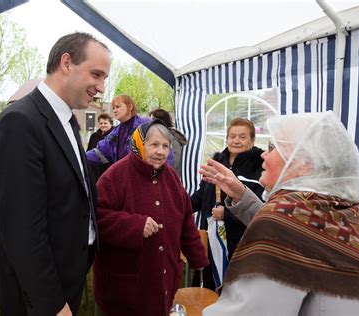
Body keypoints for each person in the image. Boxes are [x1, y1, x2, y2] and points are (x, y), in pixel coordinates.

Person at [200, 111, 359, 315]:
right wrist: (241, 194)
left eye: (275, 147)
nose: (264, 153)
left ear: (303, 165)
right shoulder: (339, 210)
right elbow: (294, 234)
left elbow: (251, 311)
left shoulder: (284, 219)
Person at [0, 32, 110, 315]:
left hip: (69, 271)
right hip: (40, 293)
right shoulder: (20, 122)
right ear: (66, 63)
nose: (101, 87)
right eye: (96, 74)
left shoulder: (65, 118)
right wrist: (51, 303)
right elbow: (21, 229)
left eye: (104, 78)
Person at [93, 119, 209, 316]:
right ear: (139, 143)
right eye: (154, 144)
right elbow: (96, 217)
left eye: (165, 146)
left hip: (162, 287)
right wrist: (135, 225)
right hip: (123, 292)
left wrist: (198, 258)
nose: (161, 151)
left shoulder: (172, 178)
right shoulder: (115, 176)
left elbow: (186, 222)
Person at [190, 118, 264, 289]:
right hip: (212, 236)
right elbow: (201, 195)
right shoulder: (218, 162)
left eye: (242, 137)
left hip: (239, 242)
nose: (236, 141)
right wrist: (180, 206)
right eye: (232, 136)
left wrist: (228, 214)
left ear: (252, 140)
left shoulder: (258, 168)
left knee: (233, 286)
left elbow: (260, 205)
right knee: (208, 283)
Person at [86, 94, 151, 165]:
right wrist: (80, 157)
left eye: (118, 107)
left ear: (130, 106)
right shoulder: (115, 132)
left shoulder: (147, 125)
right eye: (113, 108)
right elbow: (100, 153)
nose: (115, 110)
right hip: (123, 174)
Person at [149, 108, 187, 176]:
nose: (149, 123)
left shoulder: (170, 138)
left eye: (152, 120)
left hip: (167, 179)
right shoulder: (161, 135)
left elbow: (173, 163)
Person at [86, 112, 114, 180]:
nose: (103, 125)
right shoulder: (94, 136)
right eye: (101, 123)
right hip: (95, 170)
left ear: (110, 123)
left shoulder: (114, 136)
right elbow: (89, 150)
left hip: (109, 169)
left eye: (105, 123)